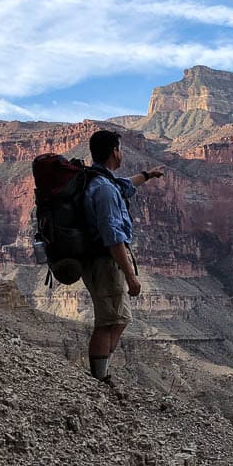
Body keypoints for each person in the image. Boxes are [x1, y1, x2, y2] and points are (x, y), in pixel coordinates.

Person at [83, 129, 164, 383]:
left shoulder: (102, 180)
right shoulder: (104, 189)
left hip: (102, 260)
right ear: (114, 152)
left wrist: (147, 175)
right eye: (120, 148)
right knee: (109, 320)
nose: (123, 153)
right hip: (105, 262)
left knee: (119, 317)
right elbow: (113, 236)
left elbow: (125, 186)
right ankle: (99, 377)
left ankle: (102, 371)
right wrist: (131, 277)